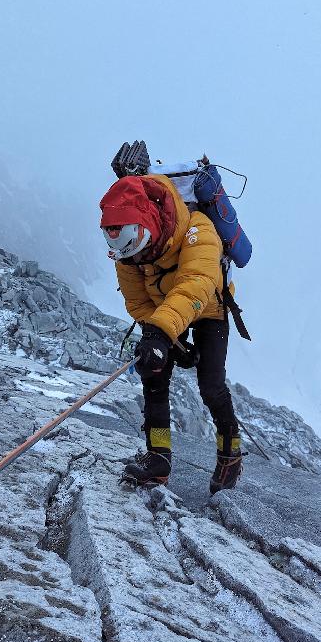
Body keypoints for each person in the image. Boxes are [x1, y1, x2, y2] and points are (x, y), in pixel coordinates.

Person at [99, 170, 243, 493]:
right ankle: (158, 457)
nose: (132, 260)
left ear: (147, 228)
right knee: (153, 372)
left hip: (209, 308)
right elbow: (137, 302)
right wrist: (162, 339)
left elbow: (197, 285)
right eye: (126, 255)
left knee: (211, 386)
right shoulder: (127, 253)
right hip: (166, 309)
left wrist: (164, 333)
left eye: (135, 251)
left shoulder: (198, 229)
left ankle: (230, 452)